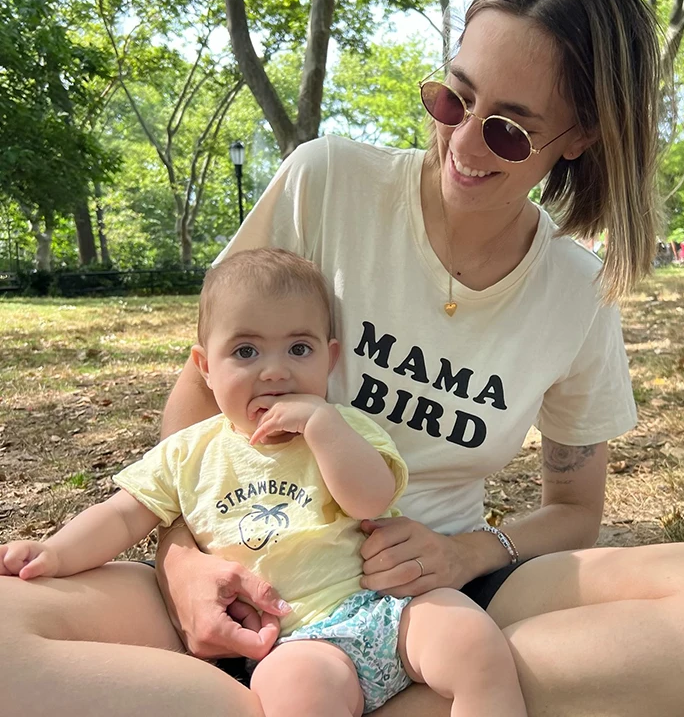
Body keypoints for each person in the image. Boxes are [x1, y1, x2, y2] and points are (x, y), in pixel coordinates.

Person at [2, 0, 684, 717]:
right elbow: (201, 389)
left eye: (510, 131)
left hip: (432, 604)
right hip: (246, 578)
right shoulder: (328, 182)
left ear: (581, 138)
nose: (461, 141)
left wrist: (466, 555)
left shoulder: (575, 290)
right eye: (454, 98)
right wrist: (184, 563)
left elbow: (572, 512)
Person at [0, 248, 526, 717]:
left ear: (331, 358)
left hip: (387, 609)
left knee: (472, 640)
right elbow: (121, 515)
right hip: (294, 639)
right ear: (206, 367)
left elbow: (370, 497)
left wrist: (322, 427)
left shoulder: (345, 428)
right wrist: (55, 551)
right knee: (293, 694)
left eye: (299, 349)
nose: (274, 372)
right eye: (246, 352)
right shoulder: (189, 452)